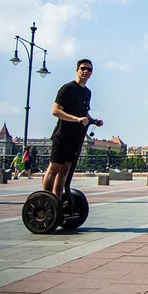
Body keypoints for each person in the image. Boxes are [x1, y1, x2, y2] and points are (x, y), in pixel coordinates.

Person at [42, 59, 103, 199]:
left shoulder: (87, 92)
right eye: (83, 68)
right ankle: (46, 200)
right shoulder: (67, 88)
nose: (86, 71)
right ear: (77, 70)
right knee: (54, 169)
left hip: (76, 136)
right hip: (62, 135)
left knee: (64, 171)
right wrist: (76, 119)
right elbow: (56, 111)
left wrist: (94, 120)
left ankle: (57, 201)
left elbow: (84, 113)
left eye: (89, 69)